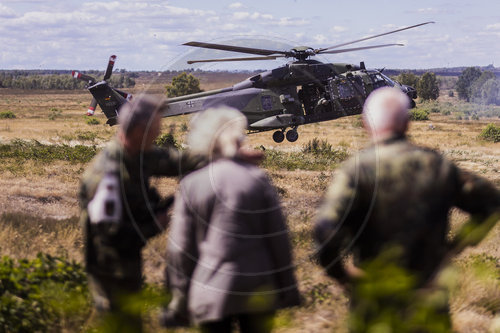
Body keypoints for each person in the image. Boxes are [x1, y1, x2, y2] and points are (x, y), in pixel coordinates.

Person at [314, 87, 500, 332]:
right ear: (407, 123)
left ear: (365, 123)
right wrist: (455, 246)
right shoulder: (437, 166)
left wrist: (343, 275)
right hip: (428, 298)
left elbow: (325, 232)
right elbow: (492, 202)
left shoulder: (357, 171)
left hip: (375, 299)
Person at [162, 107, 301, 333]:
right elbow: (279, 240)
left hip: (209, 290)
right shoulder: (257, 179)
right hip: (257, 291)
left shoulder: (192, 184)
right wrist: (288, 287)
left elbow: (180, 250)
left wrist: (179, 298)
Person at [79, 95, 204, 332]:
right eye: (154, 131)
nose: (157, 137)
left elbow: (176, 161)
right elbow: (112, 238)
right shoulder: (109, 176)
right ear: (138, 131)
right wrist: (156, 224)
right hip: (111, 275)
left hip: (128, 269)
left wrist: (228, 154)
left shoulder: (137, 155)